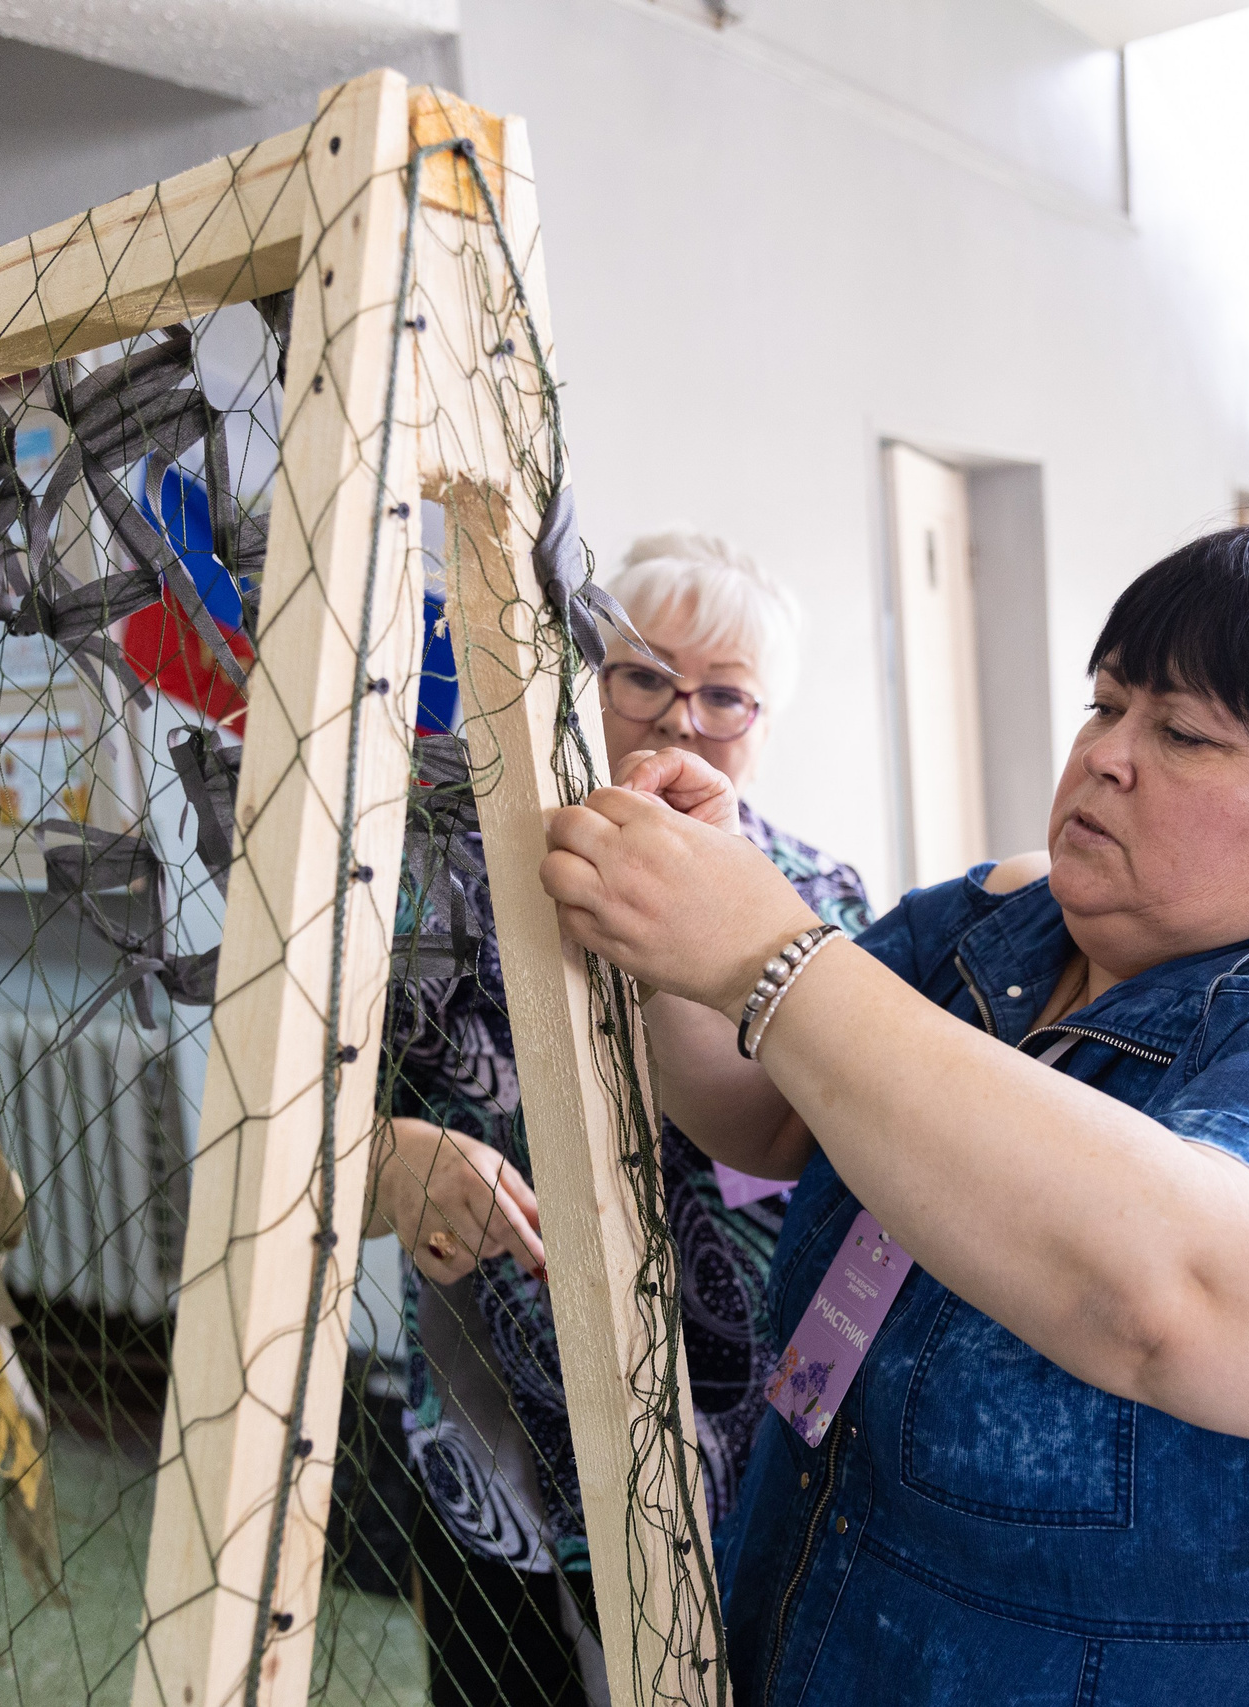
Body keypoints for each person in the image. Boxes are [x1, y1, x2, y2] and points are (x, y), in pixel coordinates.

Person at [541, 521, 1249, 1702]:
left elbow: (1184, 1300)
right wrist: (681, 931)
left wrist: (777, 960)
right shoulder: (1000, 923)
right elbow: (769, 1117)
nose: (1108, 756)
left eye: (1186, 734)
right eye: (1105, 707)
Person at [366, 532, 872, 1706]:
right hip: (491, 1399)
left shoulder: (820, 898)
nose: (680, 718)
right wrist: (386, 1155)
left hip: (746, 1430)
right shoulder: (441, 861)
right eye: (644, 675)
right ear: (580, 675)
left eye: (726, 694)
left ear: (766, 718)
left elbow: (833, 1163)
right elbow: (313, 1100)